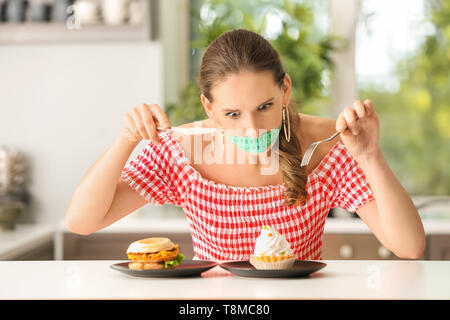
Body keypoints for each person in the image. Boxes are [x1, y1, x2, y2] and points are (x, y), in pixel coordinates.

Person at [65, 29, 425, 261]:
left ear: (284, 90)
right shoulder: (184, 150)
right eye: (233, 113)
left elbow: (410, 246)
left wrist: (370, 155)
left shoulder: (327, 144)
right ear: (210, 108)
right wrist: (125, 141)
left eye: (264, 107)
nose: (252, 129)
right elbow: (81, 222)